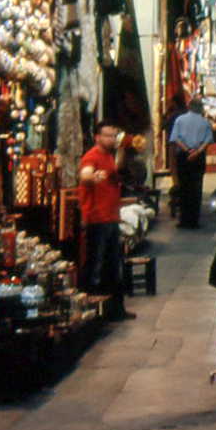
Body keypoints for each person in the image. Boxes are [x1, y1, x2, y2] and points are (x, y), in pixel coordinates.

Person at [78, 120, 132, 320]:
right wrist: (93, 177)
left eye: (113, 135)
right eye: (107, 135)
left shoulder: (109, 156)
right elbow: (85, 175)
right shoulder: (92, 156)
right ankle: (90, 312)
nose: (111, 139)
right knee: (95, 265)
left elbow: (115, 172)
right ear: (97, 137)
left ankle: (115, 310)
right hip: (97, 218)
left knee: (112, 264)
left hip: (110, 217)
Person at [169, 97, 213, 228]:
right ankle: (194, 220)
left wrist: (188, 150)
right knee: (196, 188)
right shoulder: (205, 122)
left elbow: (175, 138)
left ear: (189, 107)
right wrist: (197, 152)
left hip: (183, 156)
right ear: (200, 108)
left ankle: (184, 220)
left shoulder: (180, 120)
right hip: (198, 158)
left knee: (184, 187)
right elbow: (208, 140)